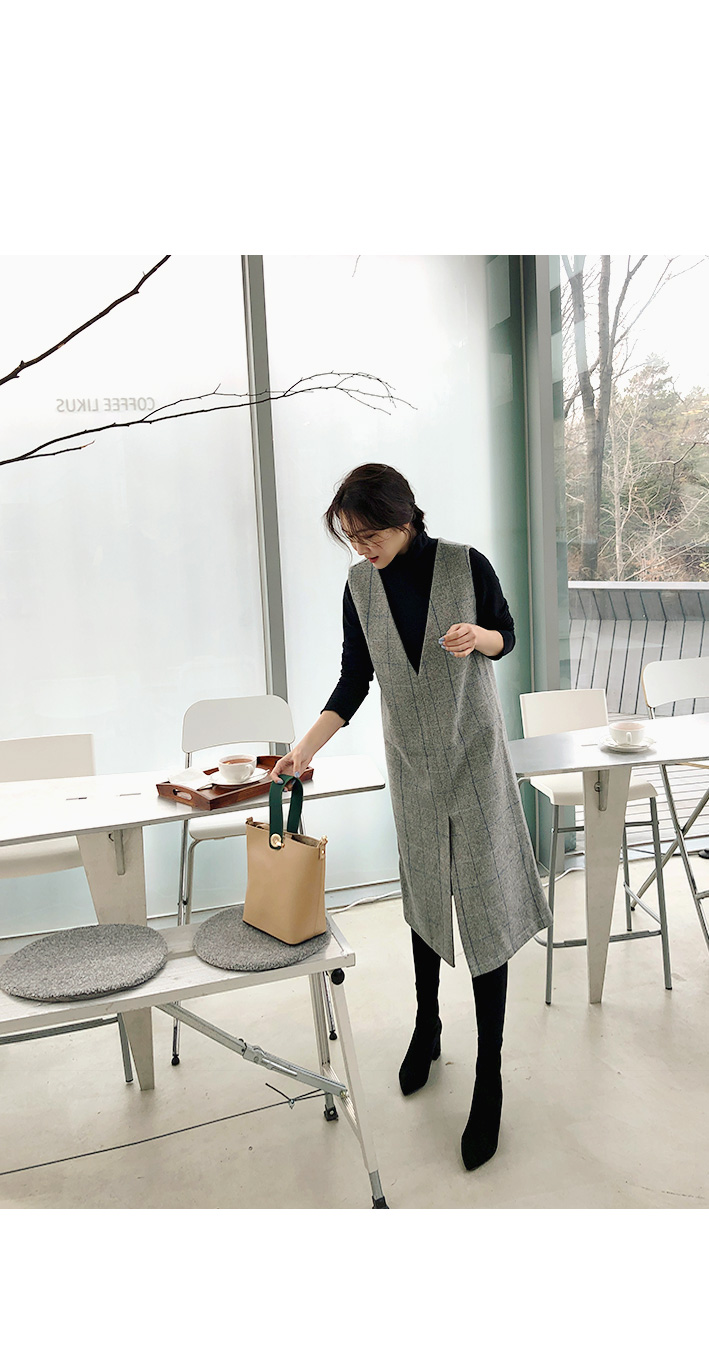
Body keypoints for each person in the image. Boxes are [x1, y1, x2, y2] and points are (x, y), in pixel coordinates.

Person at [270, 463, 552, 1171]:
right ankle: (427, 1025)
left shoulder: (465, 564)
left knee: (484, 908)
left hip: (475, 760)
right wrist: (302, 751)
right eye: (351, 537)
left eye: (369, 534)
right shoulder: (360, 586)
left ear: (404, 519)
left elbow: (508, 634)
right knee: (424, 894)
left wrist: (479, 638)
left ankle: (488, 1076)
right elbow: (353, 679)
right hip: (413, 769)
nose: (361, 548)